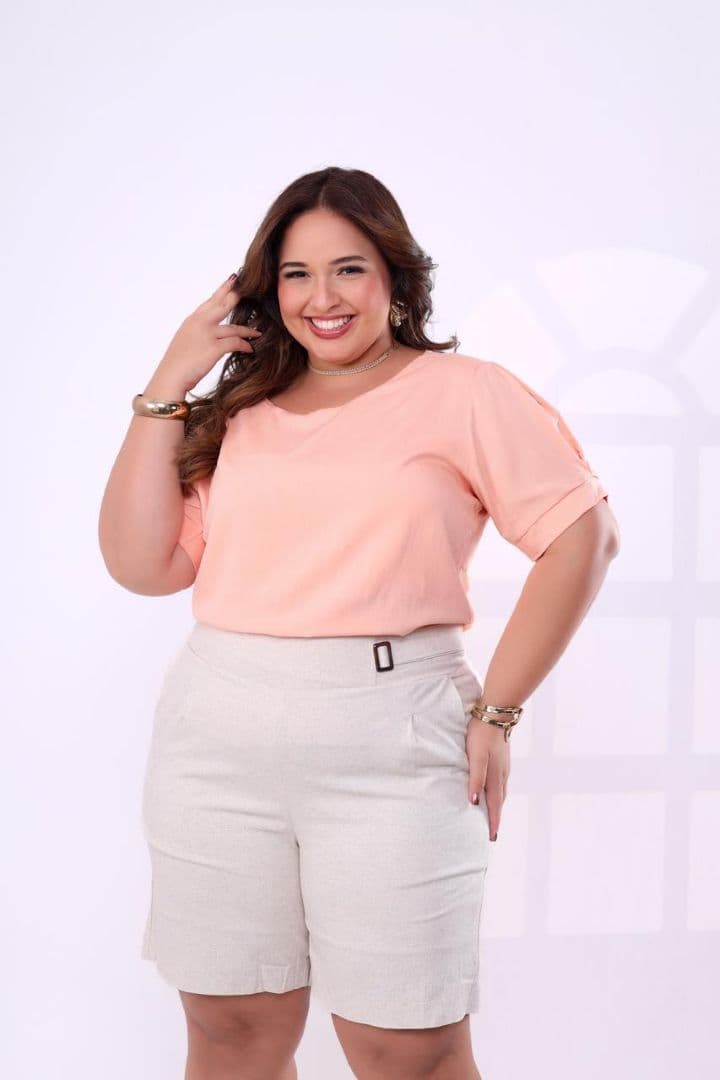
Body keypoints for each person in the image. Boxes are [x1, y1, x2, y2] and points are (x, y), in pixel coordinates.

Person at [98, 165, 620, 1080]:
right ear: (267, 289)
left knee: (406, 1049)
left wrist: (498, 711)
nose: (322, 298)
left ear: (395, 276)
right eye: (296, 274)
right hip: (215, 739)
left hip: (394, 739)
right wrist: (169, 380)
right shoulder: (240, 409)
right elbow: (142, 565)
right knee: (229, 1033)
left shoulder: (467, 392)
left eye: (349, 269)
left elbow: (584, 539)